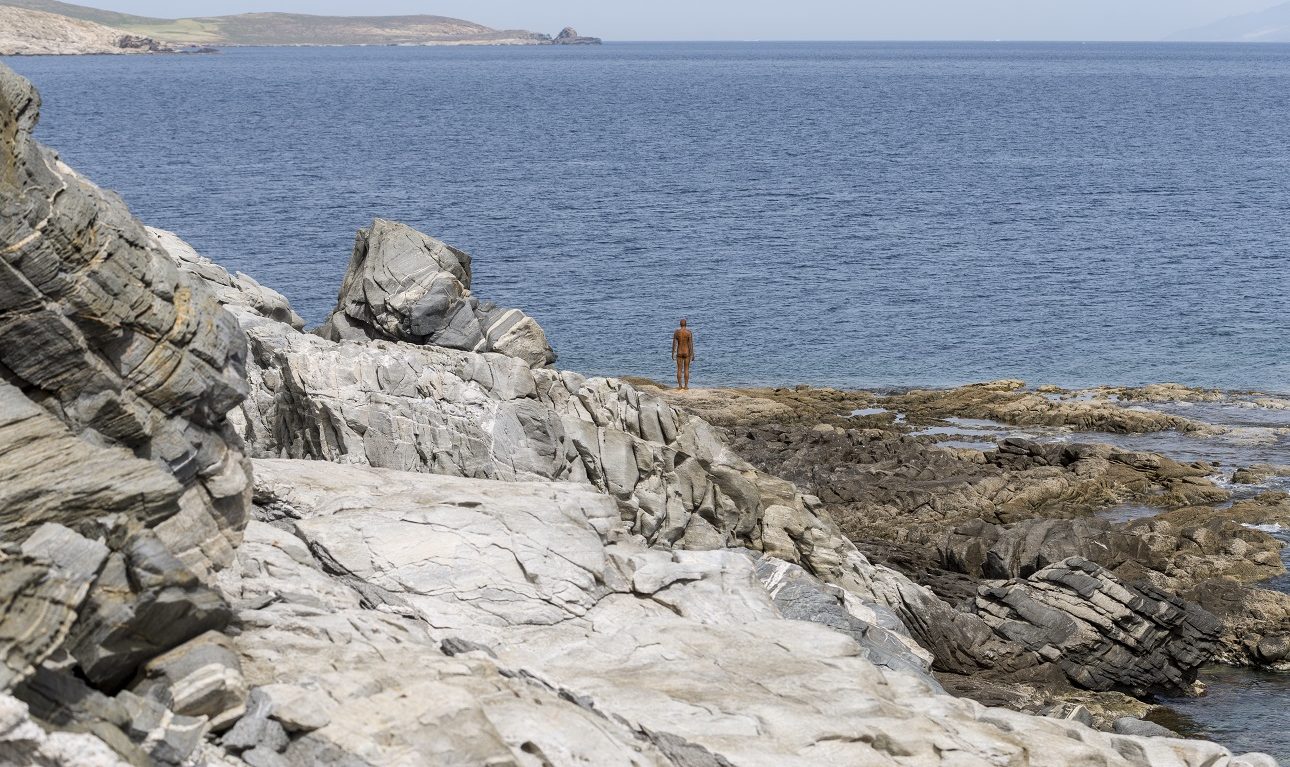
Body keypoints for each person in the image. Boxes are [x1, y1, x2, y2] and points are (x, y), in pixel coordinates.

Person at [671, 319, 694, 390]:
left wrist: (673, 353)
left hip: (679, 352)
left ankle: (680, 386)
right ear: (686, 324)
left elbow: (674, 344)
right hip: (687, 352)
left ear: (680, 324)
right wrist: (692, 354)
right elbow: (690, 344)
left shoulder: (676, 332)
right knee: (686, 369)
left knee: (679, 369)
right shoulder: (689, 332)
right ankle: (686, 386)